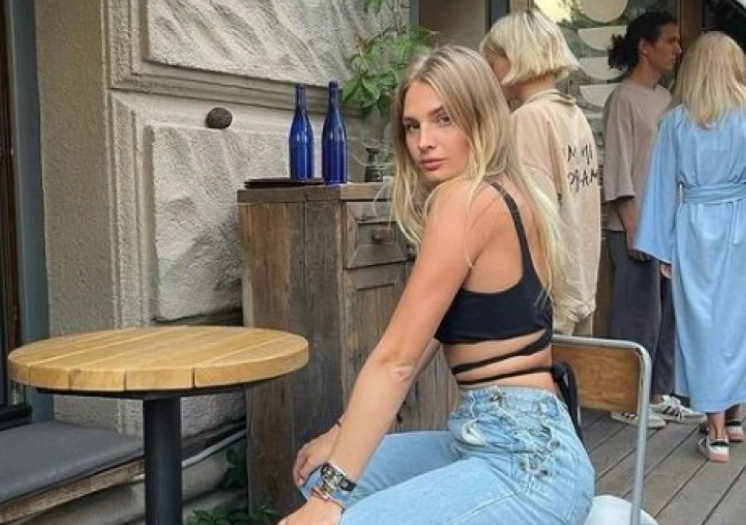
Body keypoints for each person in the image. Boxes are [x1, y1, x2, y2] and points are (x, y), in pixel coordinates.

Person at [278, 45, 593, 525]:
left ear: (481, 117)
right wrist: (341, 435)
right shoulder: (507, 188)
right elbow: (421, 341)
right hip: (490, 438)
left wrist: (329, 499)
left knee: (331, 505)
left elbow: (395, 362)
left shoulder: (466, 201)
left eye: (444, 119)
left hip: (528, 463)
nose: (424, 141)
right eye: (412, 126)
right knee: (319, 471)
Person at [634, 32, 746, 463]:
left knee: (702, 325)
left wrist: (662, 247)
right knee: (739, 322)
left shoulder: (676, 122)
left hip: (695, 225)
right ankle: (732, 419)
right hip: (743, 221)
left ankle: (718, 429)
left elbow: (661, 189)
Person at [601, 11, 705, 429]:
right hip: (636, 226)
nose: (678, 49)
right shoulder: (623, 99)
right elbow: (618, 166)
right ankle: (625, 398)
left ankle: (658, 395)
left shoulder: (667, 100)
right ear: (645, 46)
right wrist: (632, 226)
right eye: (671, 41)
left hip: (667, 227)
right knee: (635, 316)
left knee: (666, 317)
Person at [481, 9, 601, 336]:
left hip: (548, 291)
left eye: (492, 63)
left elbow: (531, 214)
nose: (490, 73)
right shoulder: (574, 114)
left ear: (511, 58)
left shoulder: (527, 120)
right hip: (581, 280)